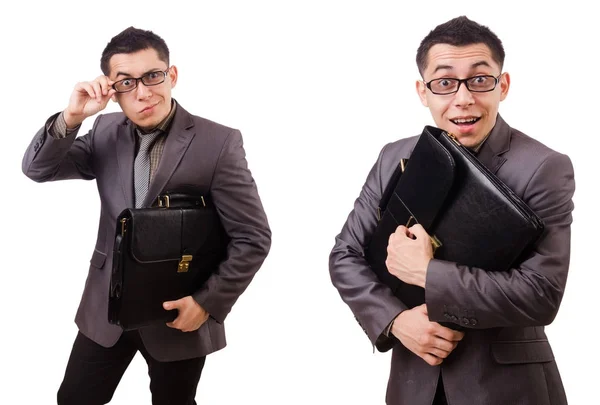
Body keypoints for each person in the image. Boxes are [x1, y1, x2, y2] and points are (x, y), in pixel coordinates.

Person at [329, 16, 574, 405]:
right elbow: (345, 256)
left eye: (479, 80)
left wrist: (426, 272)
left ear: (503, 86)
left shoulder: (545, 167)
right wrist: (395, 321)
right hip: (413, 383)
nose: (463, 99)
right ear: (423, 92)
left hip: (507, 388)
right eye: (444, 83)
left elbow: (541, 295)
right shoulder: (395, 156)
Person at [22, 27, 271, 405]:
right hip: (105, 307)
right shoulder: (104, 130)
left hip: (178, 313)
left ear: (171, 75)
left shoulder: (218, 143)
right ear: (112, 89)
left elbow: (253, 237)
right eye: (127, 82)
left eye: (152, 76)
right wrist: (71, 117)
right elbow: (39, 169)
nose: (143, 92)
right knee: (73, 398)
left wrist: (206, 302)